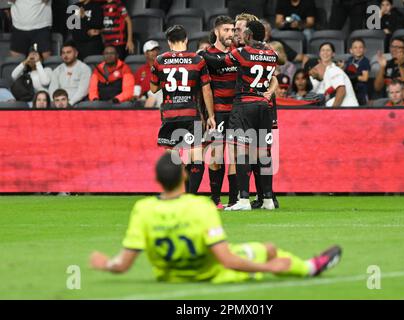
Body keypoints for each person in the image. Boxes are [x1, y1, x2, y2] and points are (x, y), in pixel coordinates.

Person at [90, 152, 343, 283]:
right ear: (185, 176)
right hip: (211, 274)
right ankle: (311, 267)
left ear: (157, 181)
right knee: (268, 249)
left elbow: (122, 265)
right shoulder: (200, 208)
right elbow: (226, 259)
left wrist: (105, 264)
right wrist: (267, 267)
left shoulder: (142, 209)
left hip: (171, 276)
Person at [199, 21, 279, 211]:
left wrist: (201, 54)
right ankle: (267, 199)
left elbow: (219, 61)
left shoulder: (242, 53)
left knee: (241, 152)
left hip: (245, 106)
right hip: (264, 107)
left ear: (250, 34)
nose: (240, 35)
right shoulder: (272, 54)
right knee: (263, 154)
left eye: (244, 32)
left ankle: (243, 199)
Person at [149, 25, 216, 194]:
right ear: (186, 40)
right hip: (191, 113)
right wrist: (211, 115)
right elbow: (206, 90)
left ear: (169, 42)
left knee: (172, 157)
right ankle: (190, 195)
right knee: (197, 156)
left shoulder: (160, 60)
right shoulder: (197, 60)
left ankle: (173, 193)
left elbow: (153, 89)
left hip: (169, 114)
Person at [199, 16, 239, 209]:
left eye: (232, 30)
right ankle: (215, 199)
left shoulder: (239, 54)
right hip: (217, 112)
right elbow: (202, 88)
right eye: (226, 30)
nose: (230, 34)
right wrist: (206, 115)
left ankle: (233, 200)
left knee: (235, 155)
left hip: (237, 112)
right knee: (215, 155)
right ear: (216, 32)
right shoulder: (206, 55)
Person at [309, 42, 359, 107]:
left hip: (347, 111)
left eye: (328, 50)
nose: (325, 53)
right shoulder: (325, 73)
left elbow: (341, 92)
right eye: (323, 50)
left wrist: (333, 111)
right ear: (319, 54)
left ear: (333, 54)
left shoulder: (334, 69)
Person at [49, 41, 92, 106]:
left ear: (76, 53)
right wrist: (55, 102)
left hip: (77, 102)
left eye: (68, 52)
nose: (65, 55)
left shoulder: (84, 69)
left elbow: (83, 90)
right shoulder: (57, 70)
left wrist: (70, 103)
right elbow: (52, 88)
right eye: (63, 53)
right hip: (59, 103)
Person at [133, 40, 162, 108]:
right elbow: (137, 87)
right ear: (146, 53)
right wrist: (136, 96)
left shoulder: (165, 68)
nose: (155, 53)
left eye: (157, 50)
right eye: (152, 50)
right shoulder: (141, 70)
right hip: (144, 98)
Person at [342, 38, 370, 106]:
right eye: (355, 47)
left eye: (360, 47)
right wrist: (342, 68)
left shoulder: (365, 61)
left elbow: (365, 78)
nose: (358, 50)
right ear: (351, 50)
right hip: (350, 90)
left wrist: (355, 78)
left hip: (361, 92)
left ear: (364, 50)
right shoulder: (350, 60)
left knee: (362, 109)